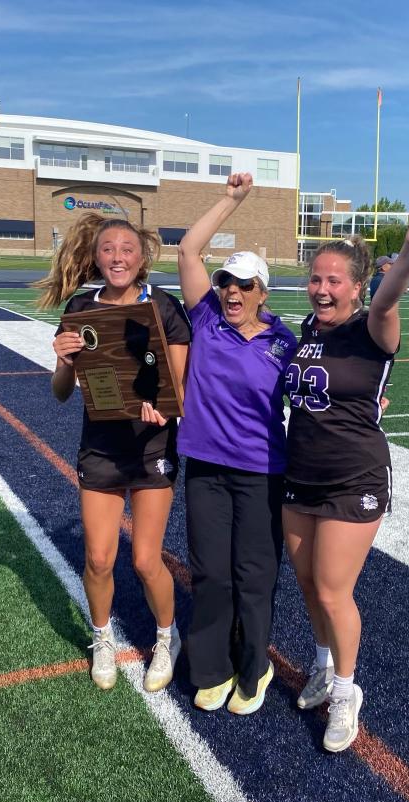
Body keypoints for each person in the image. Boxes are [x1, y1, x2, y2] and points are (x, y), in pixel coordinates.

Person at [283, 207, 409, 753]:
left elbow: (389, 301)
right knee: (306, 583)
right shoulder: (306, 330)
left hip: (354, 478)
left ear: (356, 287)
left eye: (333, 281)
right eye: (315, 278)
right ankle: (324, 666)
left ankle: (348, 692)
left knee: (331, 589)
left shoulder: (372, 327)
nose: (321, 289)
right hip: (300, 473)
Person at [35, 213, 191, 692]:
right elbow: (63, 392)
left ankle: (168, 637)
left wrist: (164, 411)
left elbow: (179, 393)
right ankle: (102, 638)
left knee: (146, 560)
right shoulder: (82, 308)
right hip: (101, 448)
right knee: (99, 559)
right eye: (108, 249)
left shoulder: (164, 308)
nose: (118, 257)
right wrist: (63, 360)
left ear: (142, 256)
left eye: (126, 248)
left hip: (150, 449)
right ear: (96, 256)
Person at [175, 173, 298, 715]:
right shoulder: (206, 320)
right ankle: (211, 667)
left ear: (262, 293)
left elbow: (320, 390)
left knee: (254, 575)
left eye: (245, 285)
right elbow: (187, 248)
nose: (232, 291)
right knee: (211, 573)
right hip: (204, 466)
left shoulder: (283, 341)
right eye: (227, 281)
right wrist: (232, 200)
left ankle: (255, 667)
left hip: (262, 473)